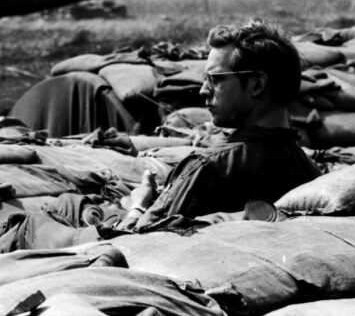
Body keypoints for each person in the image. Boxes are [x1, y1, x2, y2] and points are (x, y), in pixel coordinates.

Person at [111, 19, 321, 231]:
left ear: (256, 84)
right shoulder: (309, 171)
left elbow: (134, 241)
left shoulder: (208, 166)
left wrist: (138, 206)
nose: (203, 90)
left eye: (214, 79)